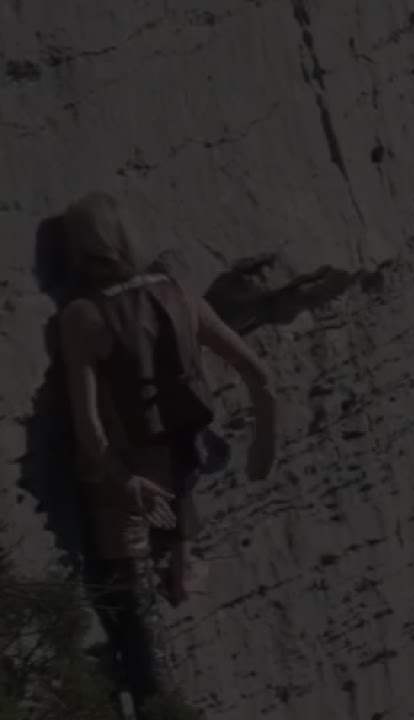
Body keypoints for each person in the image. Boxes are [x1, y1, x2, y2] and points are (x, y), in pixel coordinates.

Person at [57, 192, 277, 717]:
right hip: (185, 462)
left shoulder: (84, 318)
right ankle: (183, 566)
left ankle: (155, 696)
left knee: (134, 619)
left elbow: (89, 427)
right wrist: (265, 445)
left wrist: (120, 479)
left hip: (128, 486)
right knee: (172, 565)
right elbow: (259, 376)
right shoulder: (179, 295)